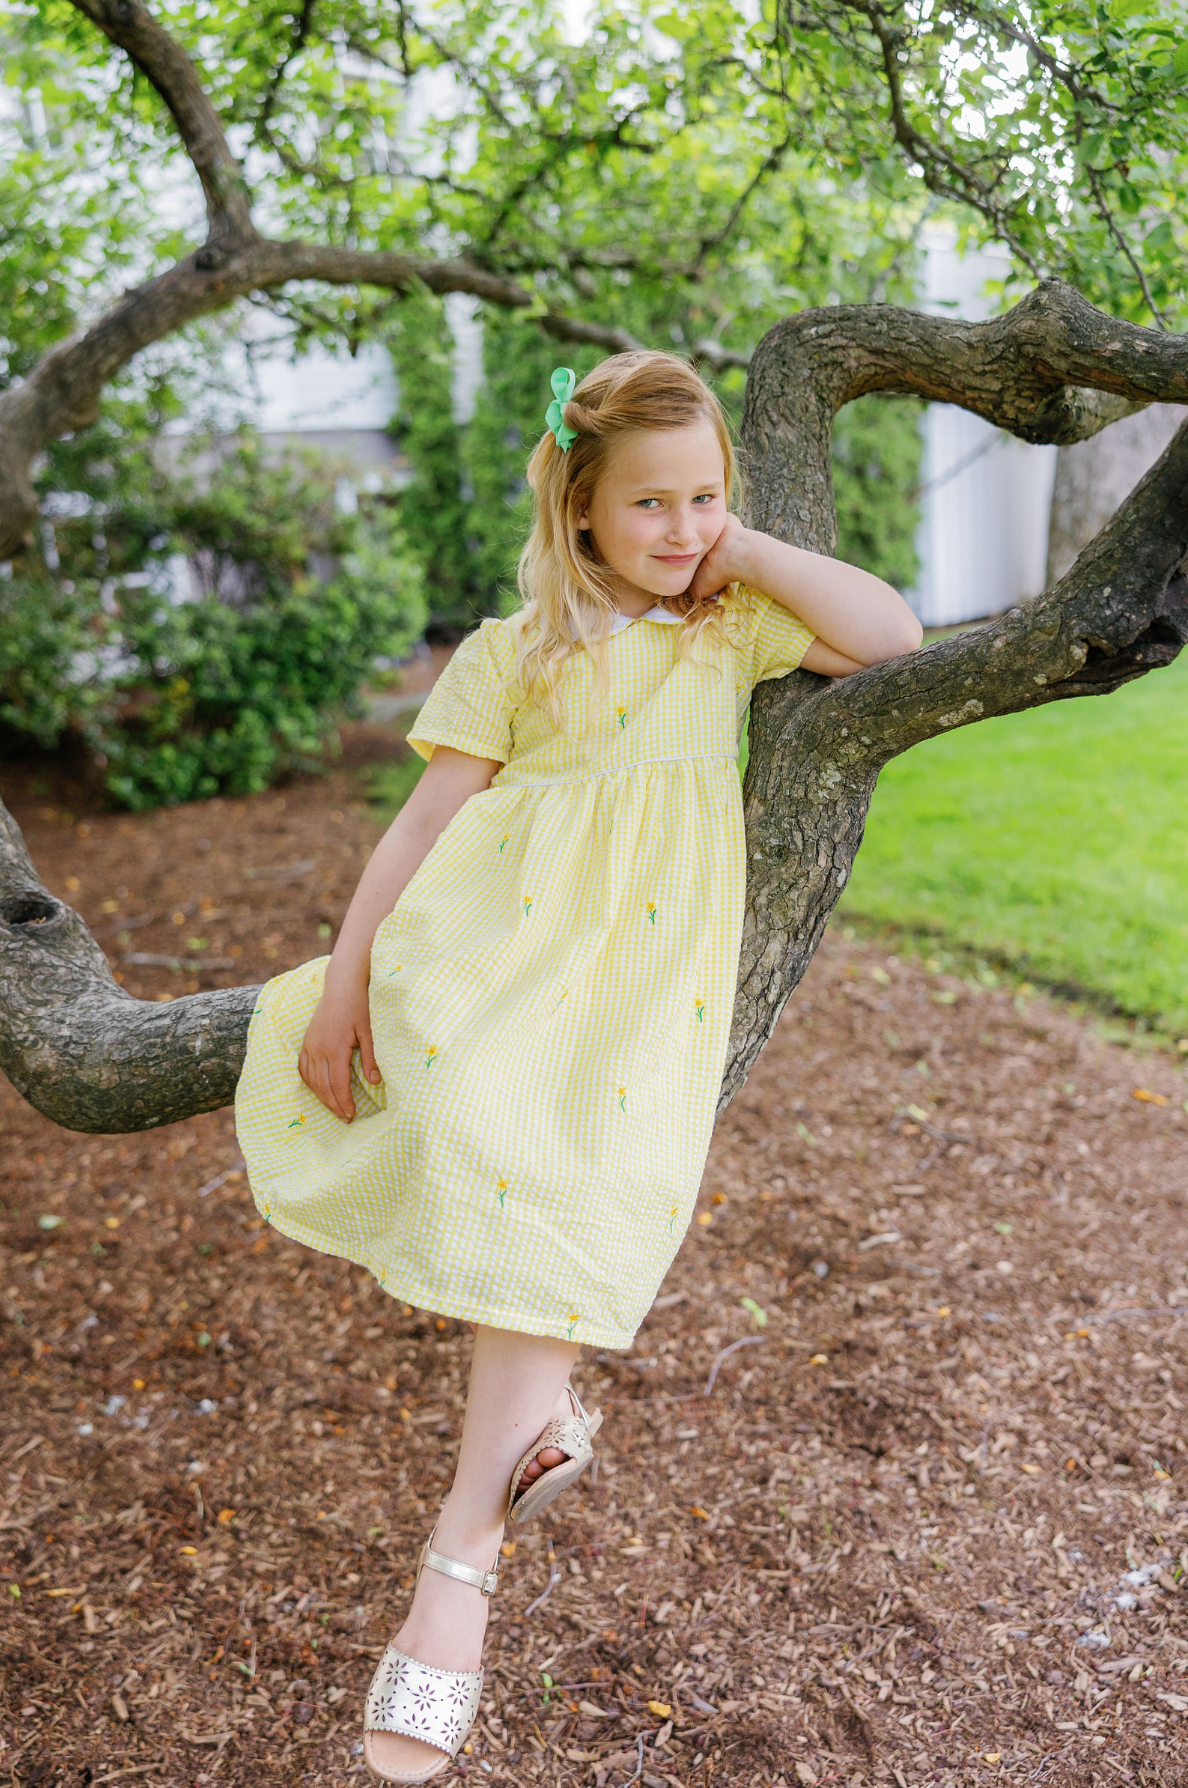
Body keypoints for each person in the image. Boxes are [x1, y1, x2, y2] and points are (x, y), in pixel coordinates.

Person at [234, 351, 922, 1782]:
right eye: (654, 505)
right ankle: (474, 1537)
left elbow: (896, 634)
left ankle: (470, 1535)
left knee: (575, 1168)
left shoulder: (730, 628)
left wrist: (750, 545)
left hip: (641, 985)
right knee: (483, 1132)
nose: (683, 528)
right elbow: (419, 832)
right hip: (497, 949)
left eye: (705, 498)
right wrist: (344, 983)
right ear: (584, 510)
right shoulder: (517, 647)